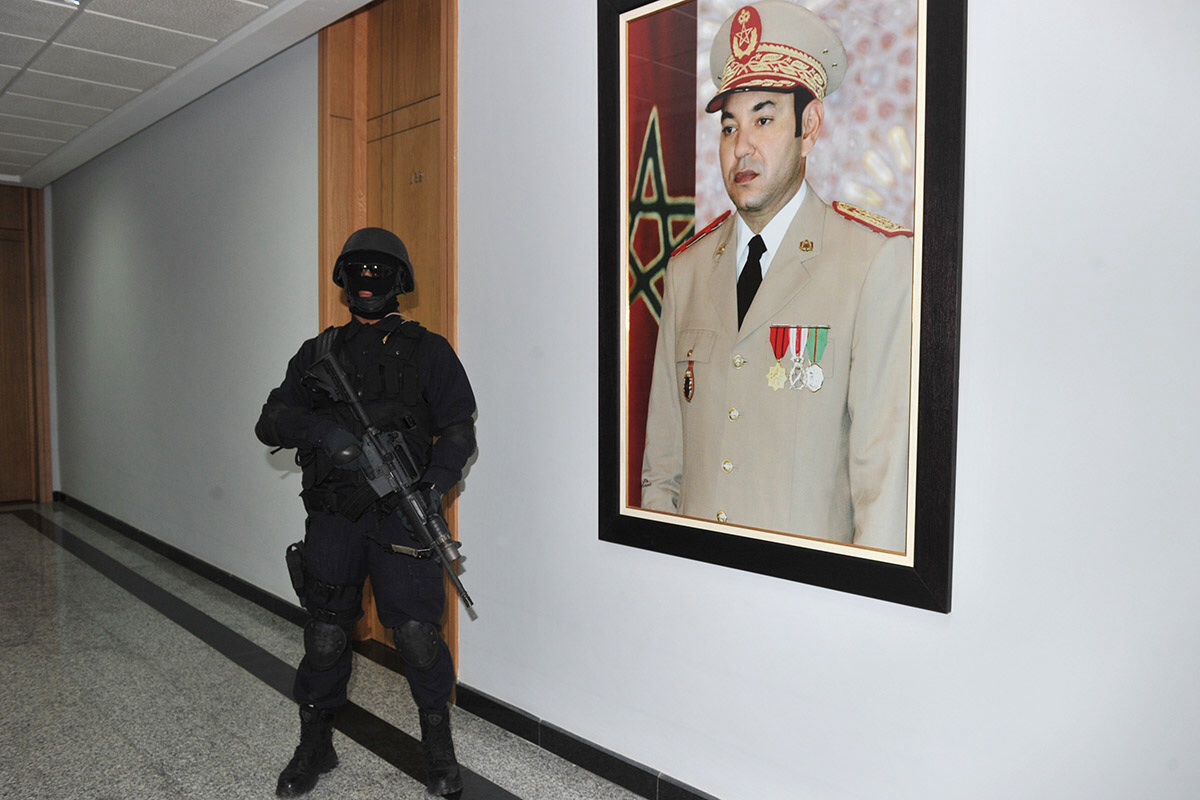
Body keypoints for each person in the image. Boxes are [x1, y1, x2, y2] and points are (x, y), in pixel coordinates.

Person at [640, 0, 913, 552]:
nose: (741, 147)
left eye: (763, 120)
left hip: (803, 594)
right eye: (729, 127)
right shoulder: (687, 269)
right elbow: (662, 471)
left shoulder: (871, 262)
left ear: (808, 128)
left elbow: (882, 487)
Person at [255, 227, 477, 797]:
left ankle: (438, 748)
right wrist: (324, 433)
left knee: (419, 637)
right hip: (334, 517)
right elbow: (270, 421)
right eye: (359, 273)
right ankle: (315, 744)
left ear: (400, 282)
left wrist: (432, 487)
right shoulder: (317, 354)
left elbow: (458, 432)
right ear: (344, 281)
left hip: (404, 514)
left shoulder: (430, 351)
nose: (369, 284)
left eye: (380, 273)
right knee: (326, 635)